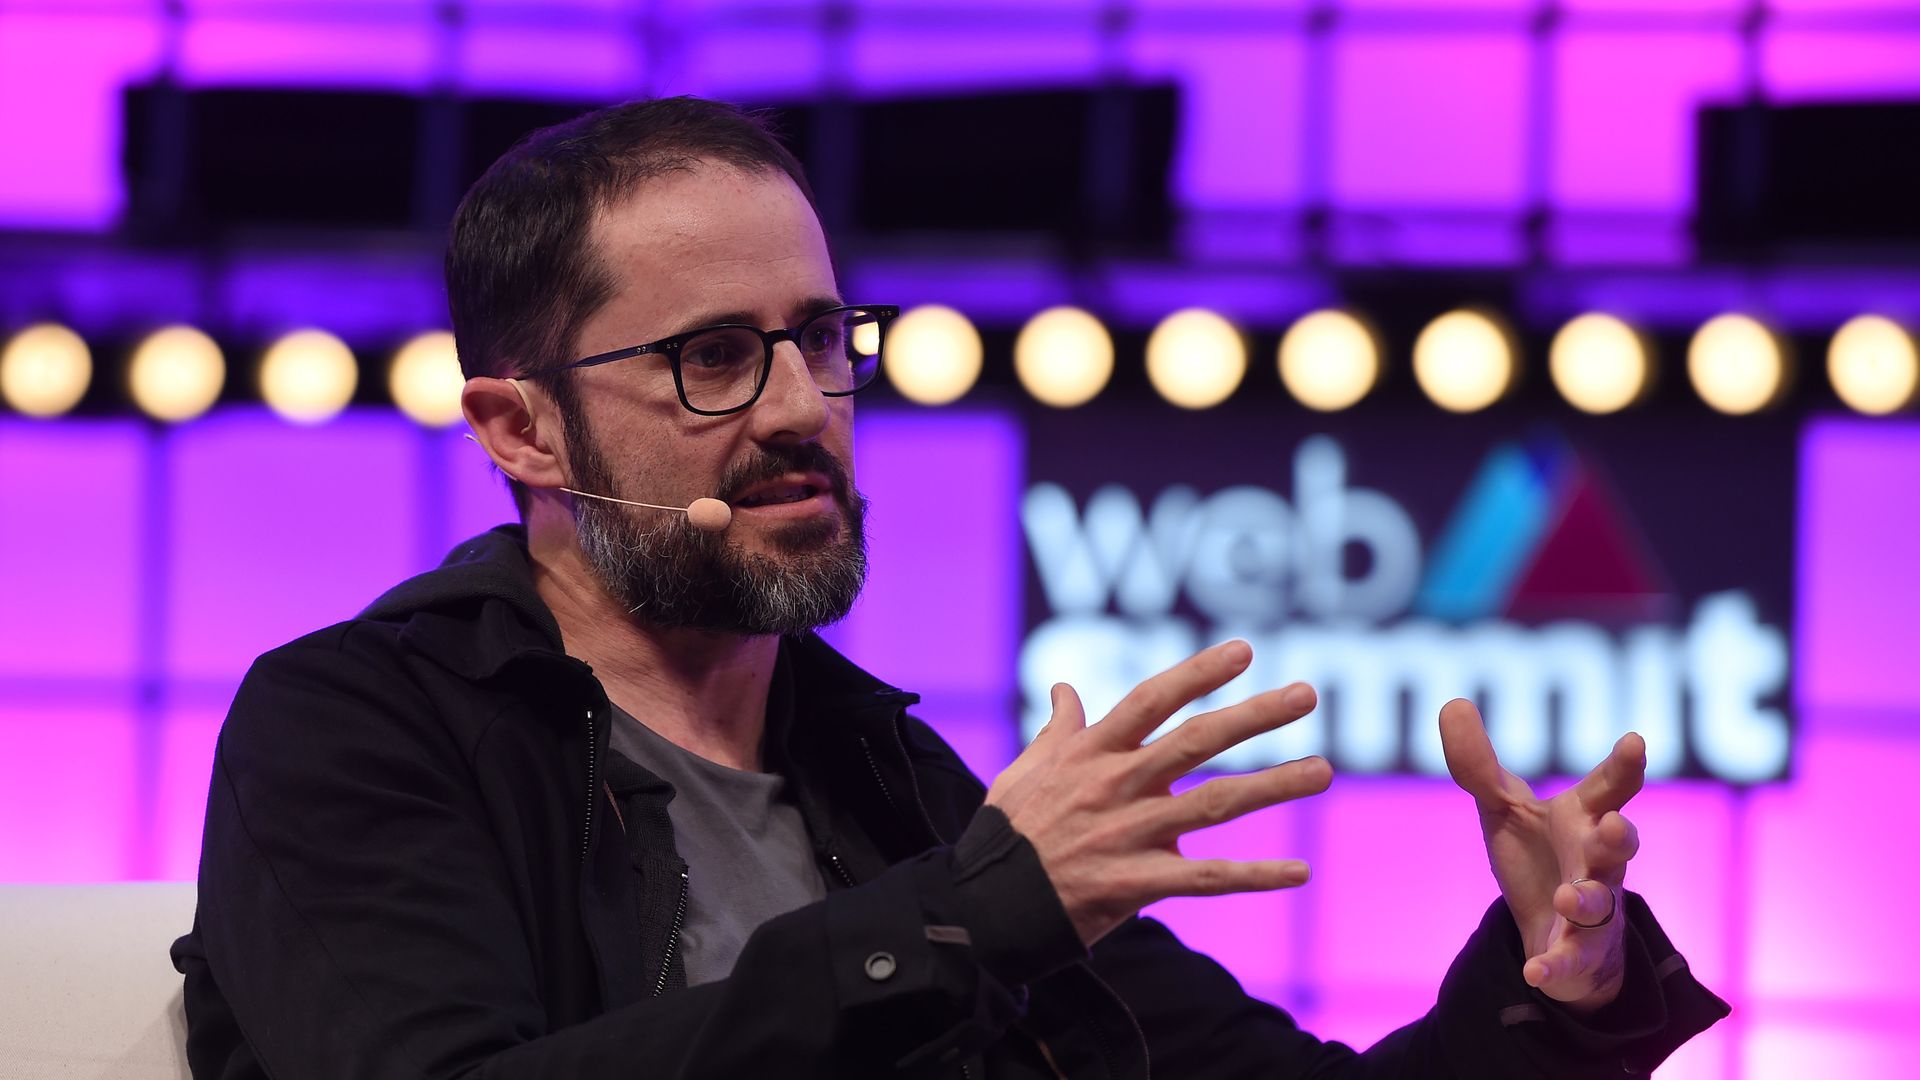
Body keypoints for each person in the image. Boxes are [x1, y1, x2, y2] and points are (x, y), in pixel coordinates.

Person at [171, 96, 1728, 1079]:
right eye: (713, 357)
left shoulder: (887, 779)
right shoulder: (362, 727)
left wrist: (1561, 994)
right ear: (521, 428)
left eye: (823, 340)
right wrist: (963, 923)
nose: (799, 407)